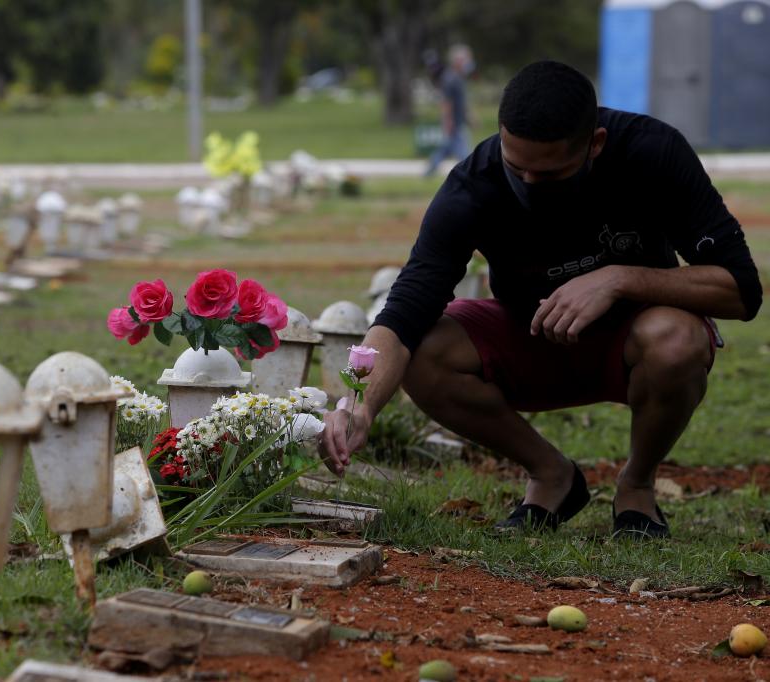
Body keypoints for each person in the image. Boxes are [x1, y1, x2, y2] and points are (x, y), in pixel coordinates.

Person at [318, 60, 762, 539]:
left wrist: (619, 279)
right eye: (516, 168)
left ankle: (636, 486)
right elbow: (403, 313)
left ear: (595, 144)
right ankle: (553, 475)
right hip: (532, 339)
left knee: (676, 339)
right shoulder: (473, 186)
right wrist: (358, 402)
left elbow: (741, 289)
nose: (528, 184)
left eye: (548, 174)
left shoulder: (651, 152)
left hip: (636, 343)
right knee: (426, 349)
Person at [425, 44, 475, 176]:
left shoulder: (458, 78)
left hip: (458, 122)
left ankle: (428, 172)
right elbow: (446, 103)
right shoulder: (450, 79)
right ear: (458, 61)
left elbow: (462, 103)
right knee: (464, 155)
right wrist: (448, 122)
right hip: (454, 123)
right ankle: (470, 175)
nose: (468, 62)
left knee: (445, 150)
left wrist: (470, 118)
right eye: (466, 59)